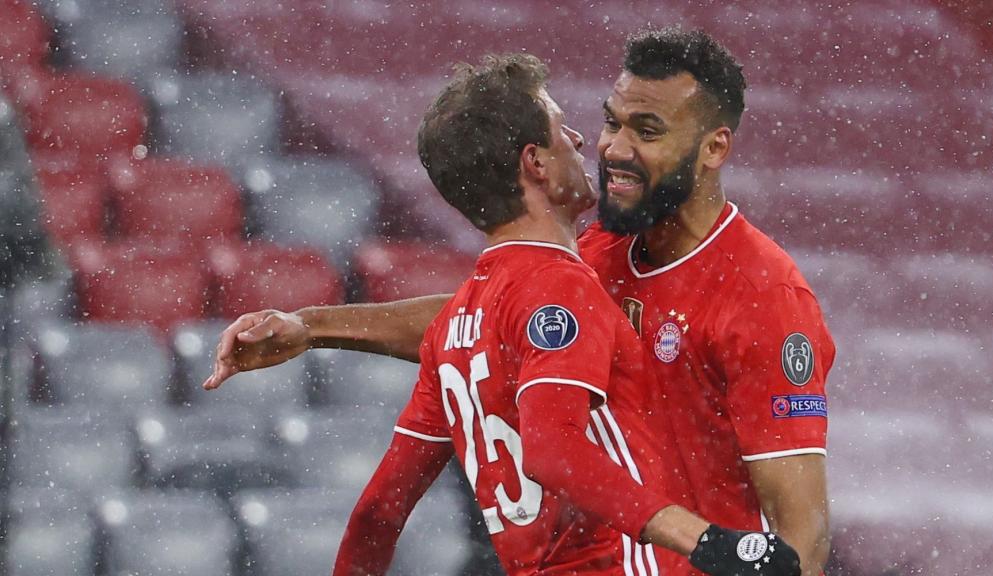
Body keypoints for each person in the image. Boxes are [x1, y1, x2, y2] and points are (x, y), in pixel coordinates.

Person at [205, 28, 833, 576]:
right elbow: (517, 348)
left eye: (646, 131)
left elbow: (799, 534)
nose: (609, 146)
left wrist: (312, 327)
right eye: (610, 120)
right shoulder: (589, 258)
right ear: (535, 161)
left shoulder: (762, 298)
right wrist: (312, 326)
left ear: (715, 148)